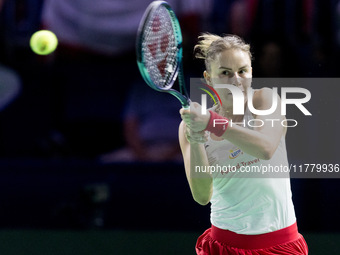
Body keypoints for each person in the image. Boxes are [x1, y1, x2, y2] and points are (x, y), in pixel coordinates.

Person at [179, 33, 308, 254]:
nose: (236, 80)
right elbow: (202, 196)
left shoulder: (264, 100)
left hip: (280, 245)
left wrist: (212, 123)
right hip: (223, 245)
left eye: (242, 71)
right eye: (225, 73)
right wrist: (198, 138)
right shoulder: (189, 127)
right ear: (208, 78)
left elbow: (266, 148)